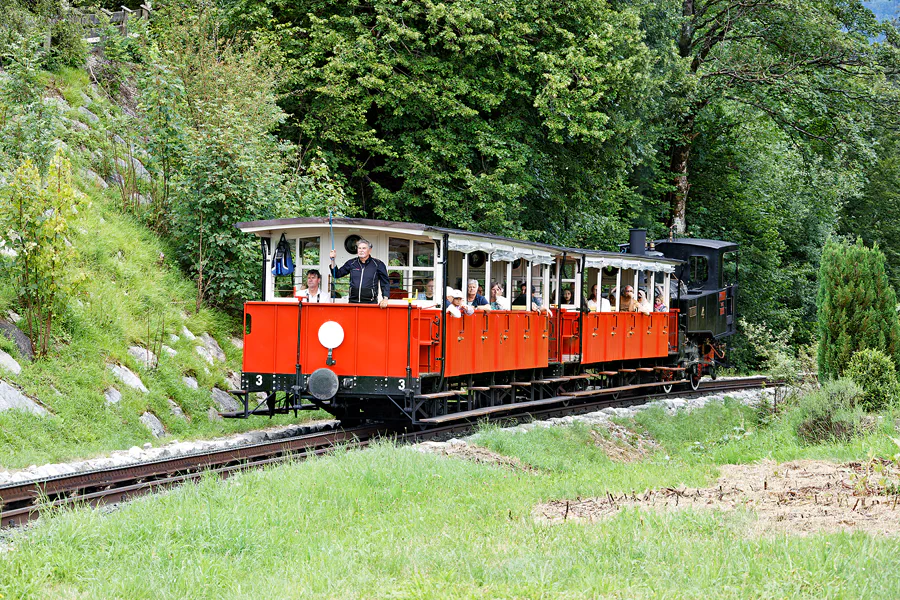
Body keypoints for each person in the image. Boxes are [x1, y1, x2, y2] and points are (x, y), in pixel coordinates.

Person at [329, 239, 390, 307]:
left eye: (364, 248)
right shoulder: (351, 263)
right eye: (359, 248)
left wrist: (385, 298)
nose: (361, 250)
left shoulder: (378, 264)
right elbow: (336, 274)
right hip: (353, 302)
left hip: (370, 303)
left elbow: (385, 282)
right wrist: (332, 260)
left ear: (369, 250)